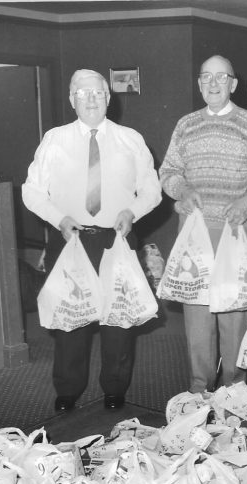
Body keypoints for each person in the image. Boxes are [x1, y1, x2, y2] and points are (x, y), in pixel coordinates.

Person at [22, 68, 162, 412]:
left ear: (108, 98)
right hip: (71, 239)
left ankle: (115, 388)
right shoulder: (54, 139)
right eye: (82, 94)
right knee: (72, 320)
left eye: (97, 93)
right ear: (72, 100)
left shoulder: (131, 138)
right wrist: (60, 219)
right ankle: (68, 390)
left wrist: (132, 212)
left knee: (118, 321)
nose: (91, 100)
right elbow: (32, 191)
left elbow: (152, 190)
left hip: (119, 238)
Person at [160, 55, 247, 394]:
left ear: (233, 84)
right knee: (197, 329)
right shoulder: (185, 125)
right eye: (206, 78)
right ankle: (199, 395)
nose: (213, 84)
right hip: (194, 239)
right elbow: (168, 172)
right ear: (199, 84)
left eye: (221, 77)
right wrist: (181, 190)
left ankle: (236, 394)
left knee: (234, 322)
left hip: (236, 235)